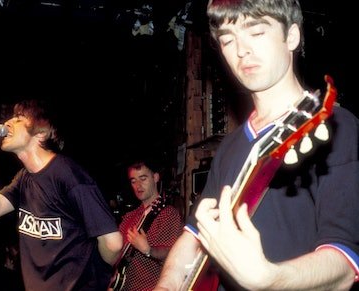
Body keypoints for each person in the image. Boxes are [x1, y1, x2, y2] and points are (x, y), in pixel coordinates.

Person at [154, 0, 359, 290]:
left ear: (292, 36)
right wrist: (167, 284)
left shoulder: (338, 127)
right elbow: (194, 234)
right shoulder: (229, 147)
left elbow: (344, 264)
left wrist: (270, 279)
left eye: (257, 32)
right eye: (227, 40)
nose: (241, 51)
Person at [0, 99, 123, 291]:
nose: (8, 122)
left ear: (41, 133)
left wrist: (99, 277)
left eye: (19, 118)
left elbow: (113, 243)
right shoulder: (24, 178)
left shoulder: (68, 175)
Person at [109, 160, 183, 291]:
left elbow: (174, 255)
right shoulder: (129, 217)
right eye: (133, 181)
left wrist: (148, 250)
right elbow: (117, 252)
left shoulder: (169, 214)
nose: (138, 185)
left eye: (143, 178)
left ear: (155, 177)